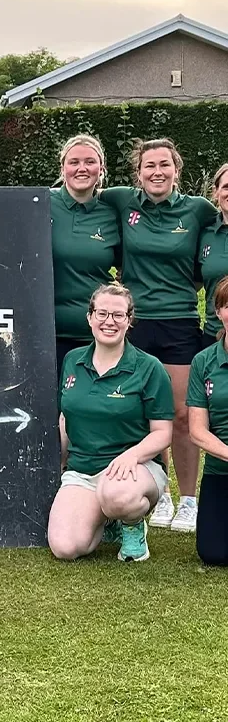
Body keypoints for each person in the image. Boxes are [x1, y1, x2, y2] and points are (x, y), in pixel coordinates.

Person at [101, 138, 217, 533]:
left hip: (180, 322)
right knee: (144, 414)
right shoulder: (121, 201)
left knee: (182, 415)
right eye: (149, 165)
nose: (157, 172)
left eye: (164, 164)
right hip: (134, 323)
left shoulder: (198, 209)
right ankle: (160, 493)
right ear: (138, 172)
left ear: (176, 170)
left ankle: (188, 501)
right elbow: (79, 194)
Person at [48, 283, 174, 563]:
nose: (109, 321)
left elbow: (163, 433)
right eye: (102, 313)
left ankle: (132, 526)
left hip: (134, 470)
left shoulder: (149, 367)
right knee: (66, 547)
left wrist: (133, 455)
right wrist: (62, 464)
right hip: (83, 471)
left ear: (129, 320)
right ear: (90, 317)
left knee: (116, 493)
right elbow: (66, 417)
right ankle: (108, 520)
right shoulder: (72, 361)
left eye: (118, 315)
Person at [51, 134, 121, 373]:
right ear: (63, 168)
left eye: (90, 162)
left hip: (96, 335)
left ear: (101, 169)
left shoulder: (112, 212)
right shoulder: (39, 203)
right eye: (74, 162)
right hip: (45, 334)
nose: (82, 168)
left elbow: (129, 266)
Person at [187, 276, 228, 565]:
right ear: (218, 311)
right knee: (213, 553)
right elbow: (197, 431)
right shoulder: (203, 361)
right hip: (220, 471)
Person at [196, 163, 228, 348]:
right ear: (216, 192)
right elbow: (194, 281)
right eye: (226, 187)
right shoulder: (204, 233)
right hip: (213, 336)